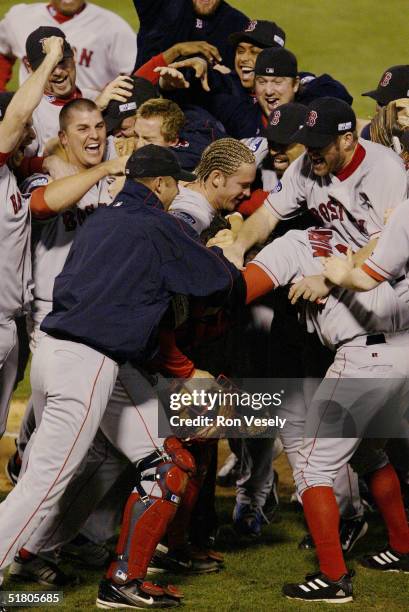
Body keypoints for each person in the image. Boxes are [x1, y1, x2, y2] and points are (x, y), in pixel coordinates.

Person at [0, 145, 242, 609]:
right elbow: (220, 284)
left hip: (65, 356)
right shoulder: (156, 225)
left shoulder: (104, 218)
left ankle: (110, 577)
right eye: (176, 182)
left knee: (160, 464)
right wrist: (228, 253)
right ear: (159, 185)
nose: (179, 191)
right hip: (87, 364)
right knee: (46, 480)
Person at [239, 220, 409, 603]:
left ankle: (333, 578)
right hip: (404, 352)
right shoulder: (381, 227)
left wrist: (228, 253)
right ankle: (403, 548)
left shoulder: (293, 243)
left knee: (313, 469)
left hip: (366, 356)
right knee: (368, 452)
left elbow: (243, 289)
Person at [0, 0, 136, 93]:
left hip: (86, 118)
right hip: (31, 120)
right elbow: (2, 53)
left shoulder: (114, 27)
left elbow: (135, 75)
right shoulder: (19, 18)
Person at [134, 0, 249, 71]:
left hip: (203, 106)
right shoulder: (161, 6)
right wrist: (178, 50)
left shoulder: (238, 24)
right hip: (147, 99)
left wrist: (227, 77)